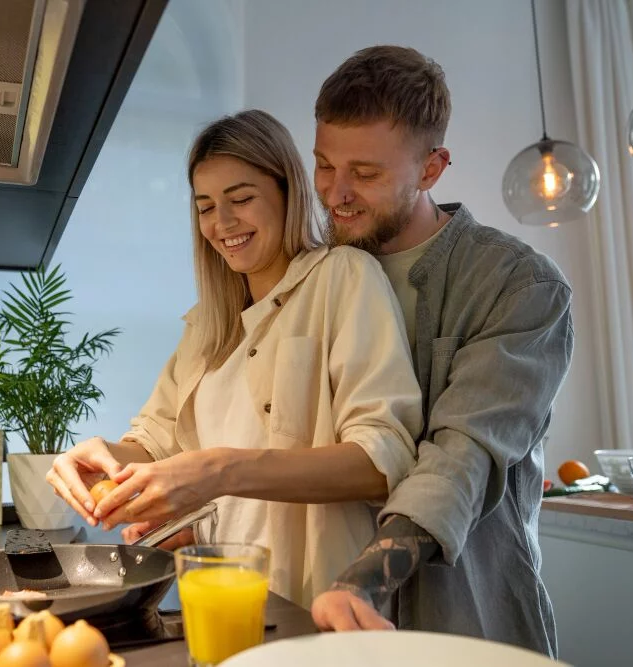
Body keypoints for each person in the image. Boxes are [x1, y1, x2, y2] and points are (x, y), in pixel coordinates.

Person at [46, 109, 424, 607]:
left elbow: (382, 460)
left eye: (241, 199)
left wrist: (219, 469)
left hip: (313, 605)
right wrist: (99, 460)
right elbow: (155, 445)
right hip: (221, 596)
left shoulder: (342, 278)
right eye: (205, 207)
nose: (222, 223)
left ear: (287, 192)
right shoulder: (206, 325)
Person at [307, 45, 574, 657]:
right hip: (318, 614)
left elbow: (465, 451)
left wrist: (368, 578)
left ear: (432, 168)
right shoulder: (315, 274)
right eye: (324, 165)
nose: (336, 194)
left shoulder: (519, 284)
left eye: (366, 174)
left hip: (467, 614)